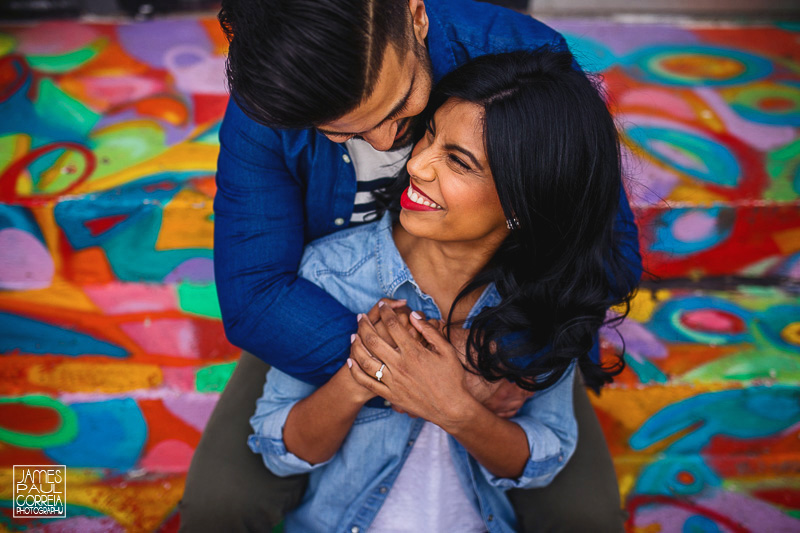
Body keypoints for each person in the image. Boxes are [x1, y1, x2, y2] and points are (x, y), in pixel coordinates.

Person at [179, 0, 642, 530]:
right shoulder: (274, 98)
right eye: (340, 131)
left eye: (401, 109)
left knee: (588, 517)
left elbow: (605, 249)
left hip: (505, 312)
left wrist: (492, 358)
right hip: (322, 311)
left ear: (416, 16)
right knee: (219, 506)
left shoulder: (519, 58)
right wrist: (404, 370)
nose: (389, 145)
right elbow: (256, 297)